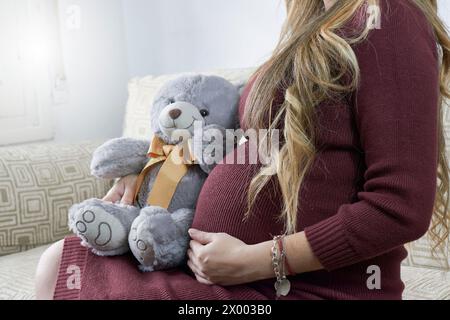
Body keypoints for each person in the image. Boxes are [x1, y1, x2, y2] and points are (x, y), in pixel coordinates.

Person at [35, 0, 450, 300]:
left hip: (300, 286)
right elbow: (242, 140)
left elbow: (399, 206)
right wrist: (153, 167)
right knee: (61, 264)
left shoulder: (387, 15)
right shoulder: (314, 25)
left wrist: (260, 261)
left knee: (61, 270)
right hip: (234, 276)